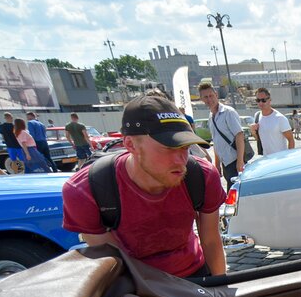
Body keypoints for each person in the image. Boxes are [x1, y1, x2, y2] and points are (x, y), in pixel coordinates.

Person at [62, 95, 226, 278]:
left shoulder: (202, 175)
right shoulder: (86, 190)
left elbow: (211, 240)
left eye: (185, 147)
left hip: (195, 273)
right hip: (134, 283)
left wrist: (221, 288)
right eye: (169, 148)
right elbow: (114, 263)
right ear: (130, 144)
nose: (181, 160)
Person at [200, 82, 247, 184]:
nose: (209, 99)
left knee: (236, 191)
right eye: (206, 97)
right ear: (202, 99)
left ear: (216, 95)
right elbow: (216, 142)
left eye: (211, 95)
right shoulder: (211, 117)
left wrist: (240, 161)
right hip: (225, 164)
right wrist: (217, 164)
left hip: (235, 161)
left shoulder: (228, 112)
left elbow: (239, 135)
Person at [249, 88, 294, 156]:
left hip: (280, 158)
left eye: (263, 100)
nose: (260, 103)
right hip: (266, 159)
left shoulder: (280, 118)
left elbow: (291, 140)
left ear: (269, 100)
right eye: (258, 100)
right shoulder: (257, 116)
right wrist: (253, 132)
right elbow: (260, 139)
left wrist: (289, 157)